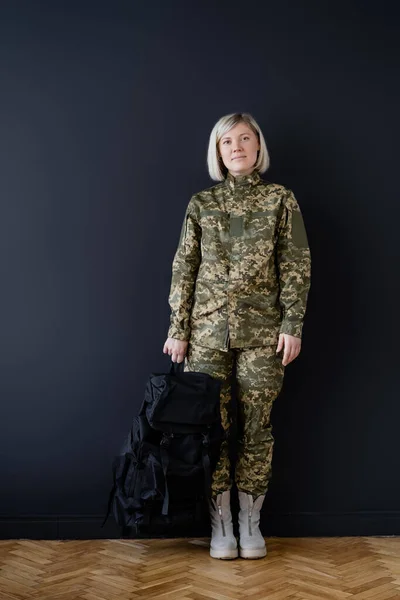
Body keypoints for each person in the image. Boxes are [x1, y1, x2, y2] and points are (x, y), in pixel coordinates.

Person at [163, 112, 311, 560]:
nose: (237, 148)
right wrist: (178, 329)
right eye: (227, 142)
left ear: (258, 146)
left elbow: (297, 265)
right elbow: (184, 267)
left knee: (256, 428)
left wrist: (292, 325)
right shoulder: (201, 204)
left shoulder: (281, 200)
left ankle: (251, 520)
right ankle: (220, 522)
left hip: (263, 335)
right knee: (212, 429)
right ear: (218, 152)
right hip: (206, 334)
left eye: (245, 139)